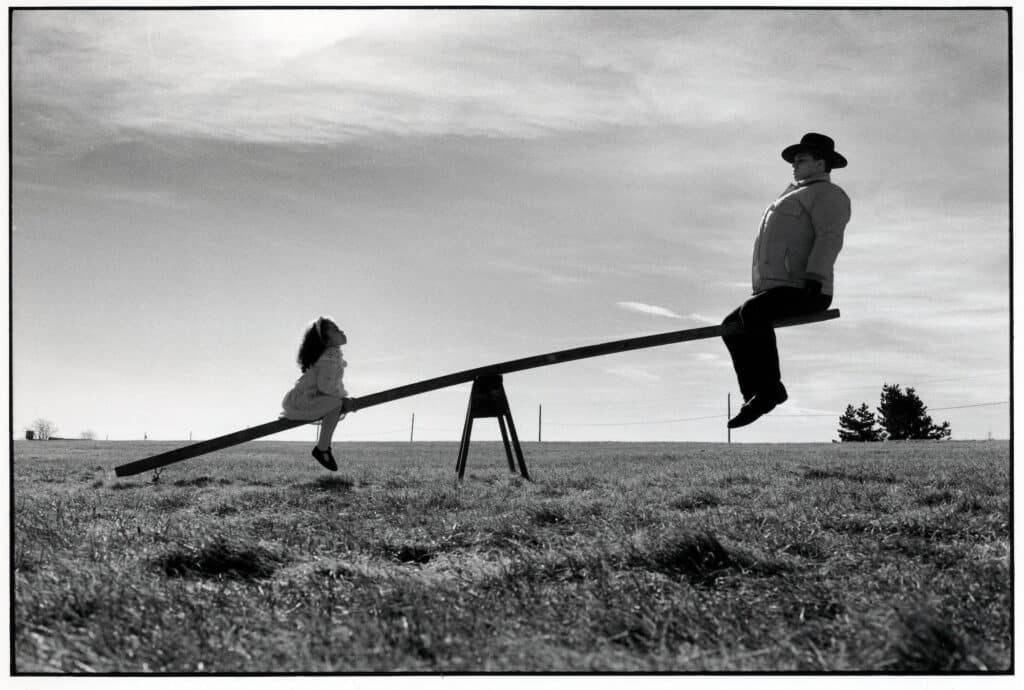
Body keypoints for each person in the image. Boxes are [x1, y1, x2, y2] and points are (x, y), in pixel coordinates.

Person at [723, 132, 851, 429]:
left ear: (821, 164)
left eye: (802, 159)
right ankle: (755, 394)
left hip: (809, 288)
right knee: (730, 325)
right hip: (780, 286)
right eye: (794, 159)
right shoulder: (792, 195)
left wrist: (816, 277)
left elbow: (829, 238)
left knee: (753, 313)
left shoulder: (828, 195)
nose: (794, 164)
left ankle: (770, 389)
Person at [281, 316, 356, 471]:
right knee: (336, 404)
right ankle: (322, 449)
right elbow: (326, 386)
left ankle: (324, 447)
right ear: (327, 341)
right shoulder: (329, 358)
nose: (341, 330)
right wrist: (343, 400)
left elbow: (330, 385)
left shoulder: (332, 356)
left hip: (306, 398)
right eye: (335, 330)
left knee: (336, 404)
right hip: (304, 400)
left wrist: (343, 400)